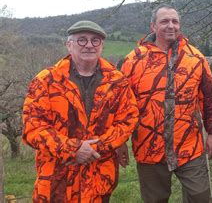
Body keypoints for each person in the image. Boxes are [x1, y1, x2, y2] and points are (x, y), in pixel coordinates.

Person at [22, 20, 139, 202]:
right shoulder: (45, 80)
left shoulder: (118, 82)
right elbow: (33, 128)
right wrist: (73, 149)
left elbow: (128, 120)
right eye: (82, 40)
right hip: (56, 179)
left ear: (102, 46)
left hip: (99, 177)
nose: (89, 45)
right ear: (69, 45)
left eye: (95, 41)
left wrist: (96, 147)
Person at [120, 4, 212, 203]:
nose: (171, 26)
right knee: (155, 200)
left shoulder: (195, 58)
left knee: (200, 197)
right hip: (149, 146)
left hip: (189, 146)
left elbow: (209, 99)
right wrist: (120, 141)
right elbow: (121, 104)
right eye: (164, 21)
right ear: (153, 26)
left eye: (175, 21)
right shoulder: (134, 59)